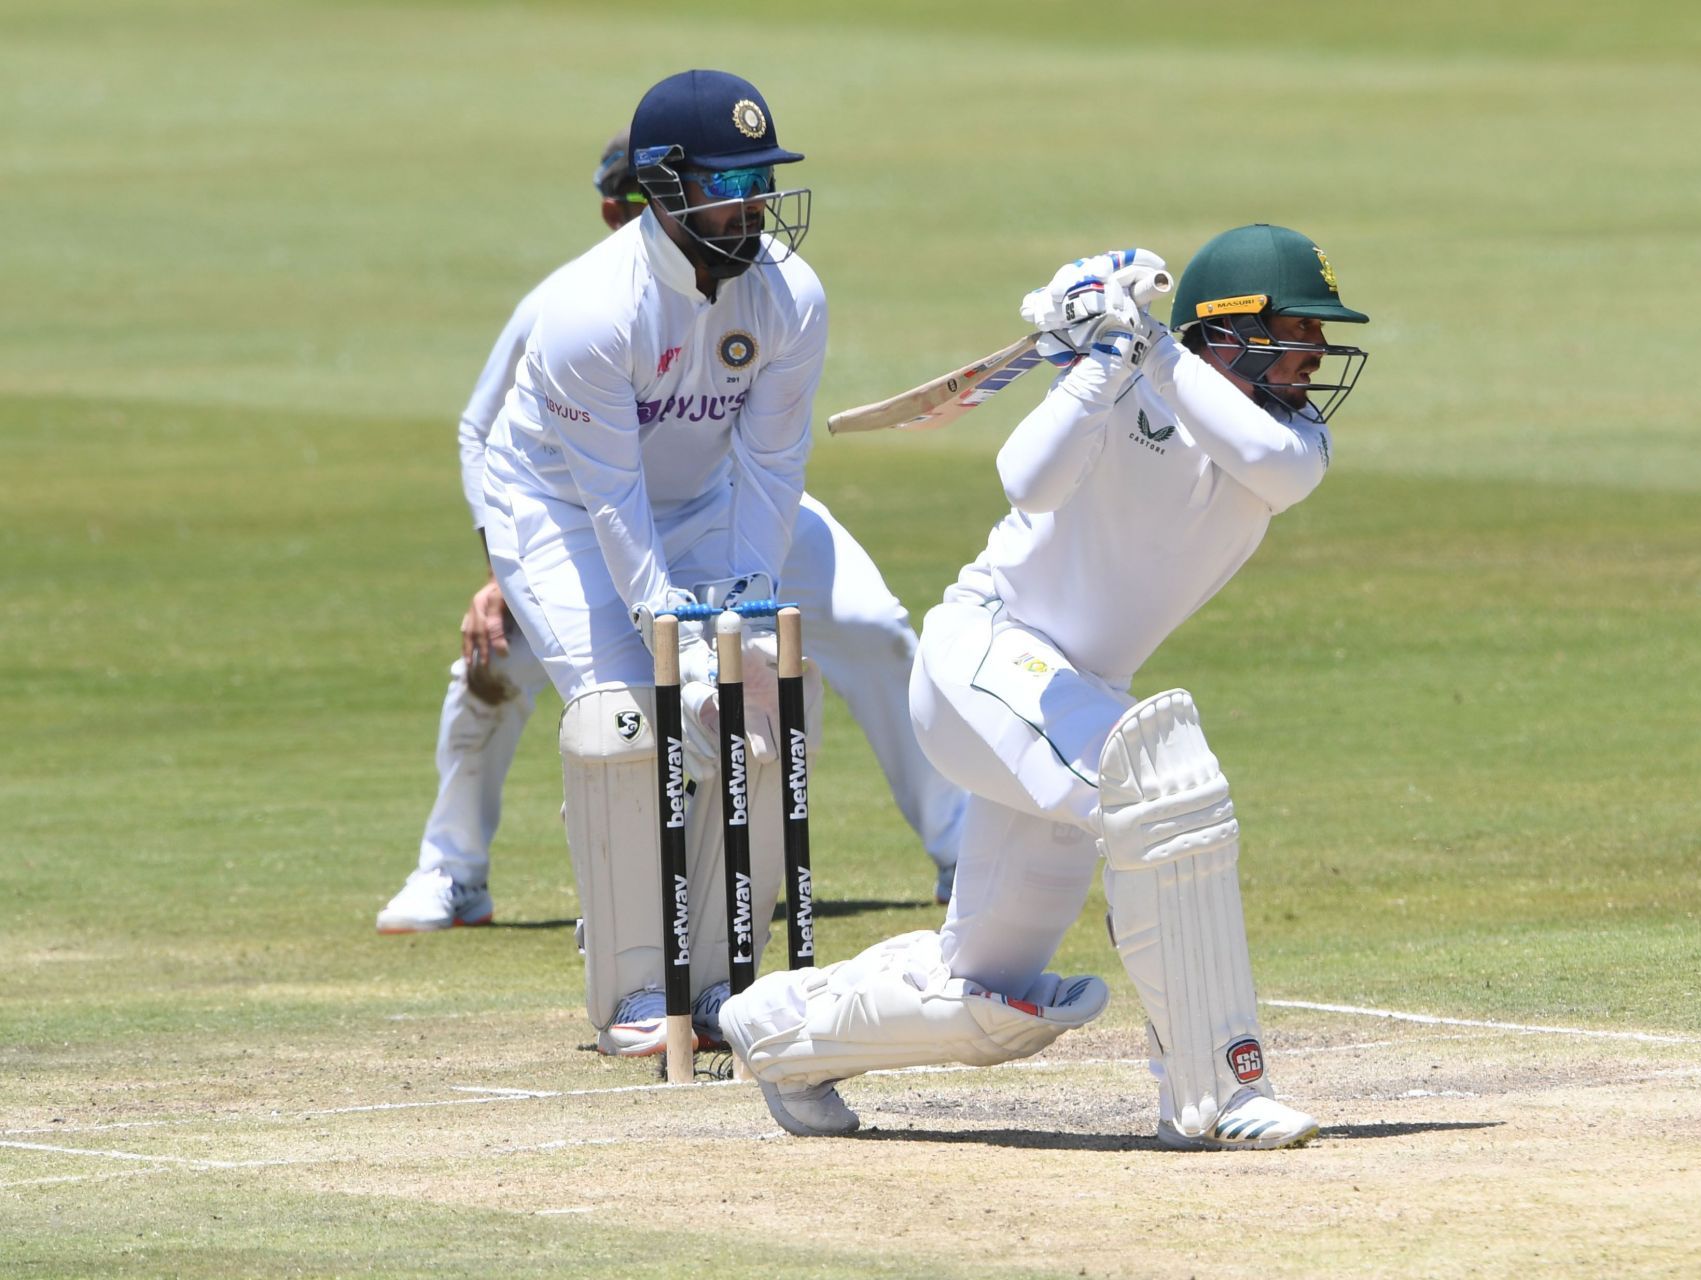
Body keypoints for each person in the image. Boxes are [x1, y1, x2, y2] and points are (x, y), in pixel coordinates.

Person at [720, 226, 1372, 1150]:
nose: (1316, 355)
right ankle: (1215, 1094)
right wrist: (1099, 359)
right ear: (1229, 332)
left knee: (986, 996)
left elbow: (1268, 466)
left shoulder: (1292, 441)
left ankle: (783, 1032)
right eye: (1300, 331)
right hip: (986, 658)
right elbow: (1024, 478)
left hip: (1067, 697)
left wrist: (1144, 344)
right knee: (1163, 783)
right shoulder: (1124, 384)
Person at [375, 116, 965, 944]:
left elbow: (771, 466)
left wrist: (748, 613)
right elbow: (495, 439)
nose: (753, 205)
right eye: (729, 186)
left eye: (757, 183)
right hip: (577, 512)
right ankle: (456, 870)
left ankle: (960, 846)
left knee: (865, 626)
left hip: (719, 503)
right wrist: (502, 570)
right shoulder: (575, 306)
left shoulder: (782, 288)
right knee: (525, 678)